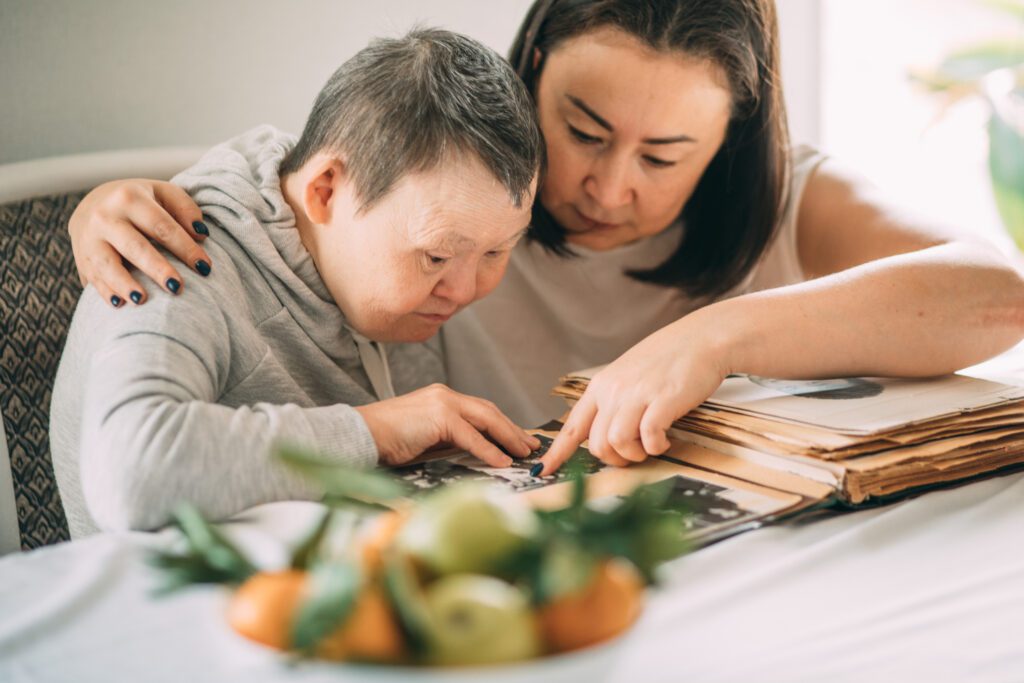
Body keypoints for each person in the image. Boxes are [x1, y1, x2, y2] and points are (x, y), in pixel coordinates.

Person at [67, 0, 1024, 483]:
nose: (610, 188)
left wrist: (712, 339)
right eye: (585, 129)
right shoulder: (460, 202)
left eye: (666, 154)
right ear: (531, 70)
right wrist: (108, 204)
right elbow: (305, 196)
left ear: (729, 142)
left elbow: (997, 292)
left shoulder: (788, 198)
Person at [51, 28, 544, 537]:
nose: (464, 291)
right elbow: (130, 474)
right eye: (436, 255)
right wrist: (375, 431)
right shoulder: (173, 257)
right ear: (325, 191)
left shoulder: (395, 230)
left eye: (496, 251)